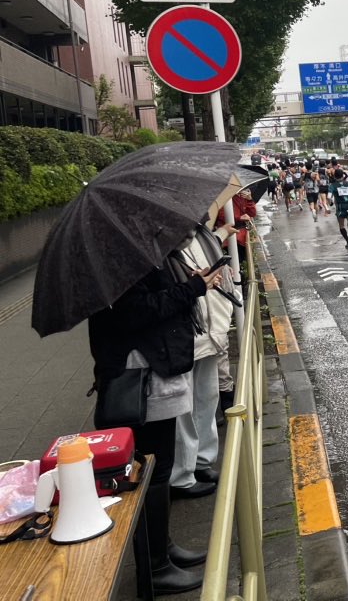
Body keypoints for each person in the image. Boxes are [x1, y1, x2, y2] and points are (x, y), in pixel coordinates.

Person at [88, 252, 223, 594]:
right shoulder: (119, 261)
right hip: (141, 375)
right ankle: (156, 566)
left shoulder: (125, 255)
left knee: (158, 468)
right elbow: (137, 312)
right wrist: (191, 288)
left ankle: (164, 549)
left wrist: (188, 283)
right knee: (151, 470)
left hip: (151, 369)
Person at [170, 225, 236, 501]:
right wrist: (193, 282)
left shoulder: (201, 233)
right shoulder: (162, 241)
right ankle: (182, 474)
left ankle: (202, 461)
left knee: (206, 397)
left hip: (211, 326)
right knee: (182, 407)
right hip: (186, 331)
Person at [330, 168, 348, 248]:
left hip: (341, 206)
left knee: (341, 226)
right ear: (342, 175)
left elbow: (329, 196)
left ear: (335, 176)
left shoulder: (333, 185)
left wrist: (330, 202)